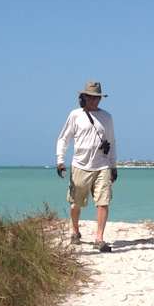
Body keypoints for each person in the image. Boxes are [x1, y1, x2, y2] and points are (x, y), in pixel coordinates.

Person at [55, 81, 118, 252]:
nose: (94, 101)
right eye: (91, 97)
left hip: (102, 165)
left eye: (97, 98)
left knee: (103, 202)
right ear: (83, 98)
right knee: (76, 204)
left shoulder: (107, 117)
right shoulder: (75, 115)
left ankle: (99, 238)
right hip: (80, 166)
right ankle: (75, 231)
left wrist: (113, 166)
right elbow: (64, 138)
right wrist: (60, 161)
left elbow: (111, 142)